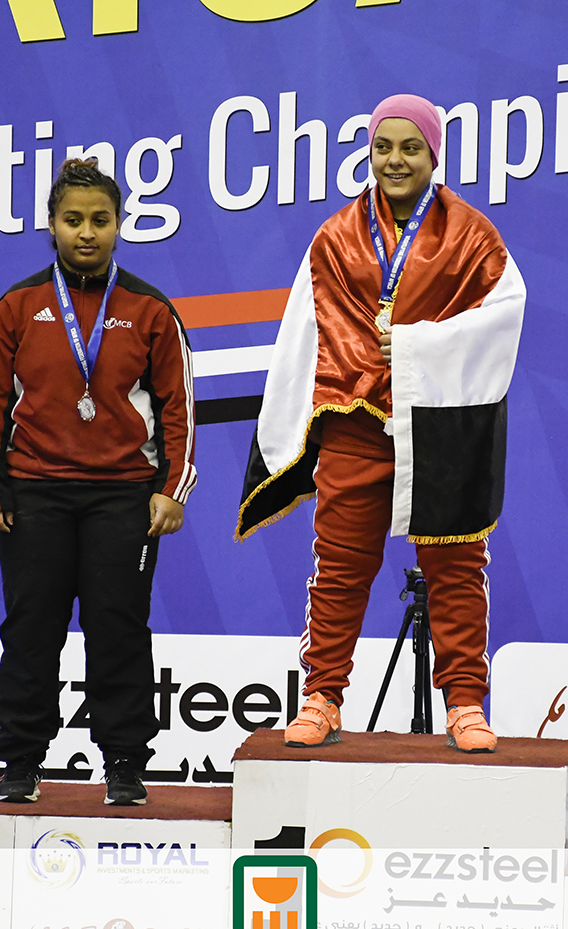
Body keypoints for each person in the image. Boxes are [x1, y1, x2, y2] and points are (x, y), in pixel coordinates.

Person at [237, 94, 525, 753]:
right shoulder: (336, 235)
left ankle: (465, 703)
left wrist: (419, 346)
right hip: (355, 422)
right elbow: (307, 330)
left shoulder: (473, 234)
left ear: (434, 154)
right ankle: (321, 697)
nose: (395, 160)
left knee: (455, 564)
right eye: (382, 148)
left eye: (410, 147)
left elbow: (503, 317)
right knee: (339, 568)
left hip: (441, 426)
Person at [0, 158, 196, 806]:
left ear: (120, 225)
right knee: (31, 629)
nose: (86, 232)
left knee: (118, 629)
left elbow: (178, 409)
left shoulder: (151, 309)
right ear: (51, 225)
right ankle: (19, 760)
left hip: (123, 495)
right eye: (73, 220)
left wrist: (171, 489)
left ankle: (124, 763)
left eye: (100, 219)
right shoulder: (15, 307)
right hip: (34, 491)